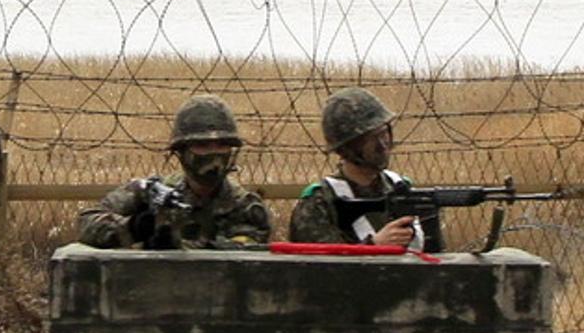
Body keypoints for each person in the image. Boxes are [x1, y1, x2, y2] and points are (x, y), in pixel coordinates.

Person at [78, 94, 271, 249]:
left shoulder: (246, 209)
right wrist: (133, 228)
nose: (214, 154)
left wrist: (173, 246)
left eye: (222, 145)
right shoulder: (151, 191)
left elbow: (232, 260)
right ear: (182, 151)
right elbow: (87, 223)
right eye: (202, 145)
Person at [289, 86, 443, 251]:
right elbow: (322, 268)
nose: (383, 144)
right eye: (372, 138)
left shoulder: (401, 188)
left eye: (384, 133)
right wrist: (374, 246)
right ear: (347, 148)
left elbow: (435, 260)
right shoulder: (319, 204)